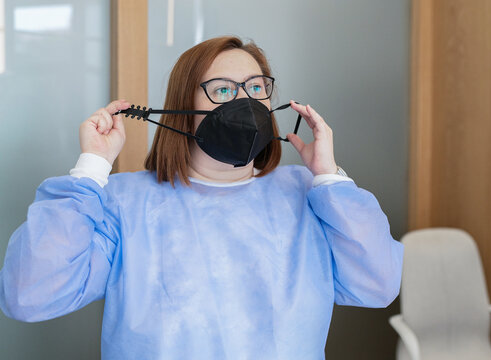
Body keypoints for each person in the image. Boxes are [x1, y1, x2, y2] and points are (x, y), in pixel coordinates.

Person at [0, 36, 403, 359]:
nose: (245, 101)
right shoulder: (125, 203)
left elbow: (378, 285)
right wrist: (92, 167)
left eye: (256, 87)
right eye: (223, 89)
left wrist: (328, 178)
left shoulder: (306, 194)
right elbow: (30, 295)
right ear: (181, 107)